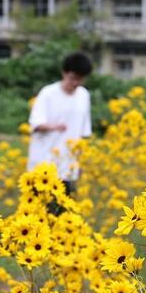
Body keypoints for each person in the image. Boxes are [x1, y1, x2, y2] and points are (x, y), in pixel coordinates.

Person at [27, 52, 93, 209]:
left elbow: (84, 133)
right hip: (43, 167)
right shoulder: (48, 93)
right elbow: (35, 123)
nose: (76, 83)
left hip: (68, 169)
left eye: (80, 79)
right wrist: (54, 126)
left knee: (63, 217)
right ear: (64, 73)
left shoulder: (84, 95)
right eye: (73, 78)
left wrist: (80, 163)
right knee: (38, 215)